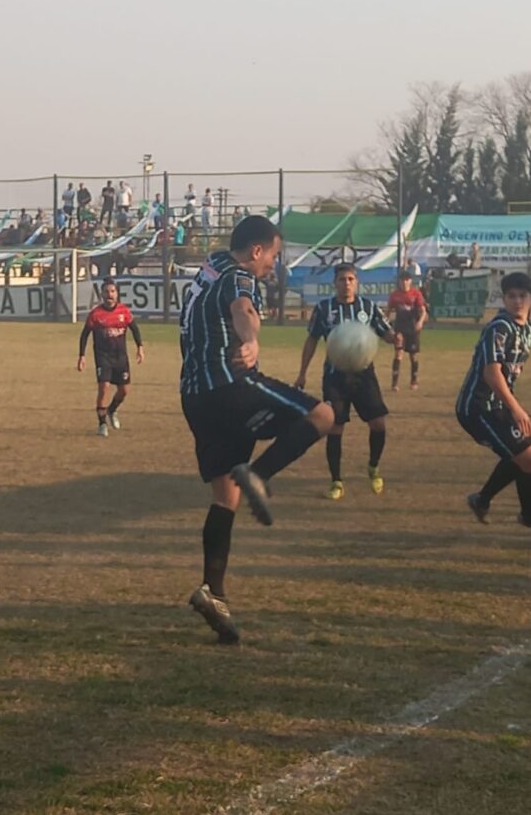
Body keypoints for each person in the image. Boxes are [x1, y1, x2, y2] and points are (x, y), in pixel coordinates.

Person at [180, 215, 333, 643]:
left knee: (224, 497)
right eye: (273, 257)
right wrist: (252, 340)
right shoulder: (241, 276)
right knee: (323, 415)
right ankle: (259, 478)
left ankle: (214, 593)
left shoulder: (210, 265)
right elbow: (243, 307)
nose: (272, 266)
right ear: (256, 251)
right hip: (230, 385)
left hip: (194, 397)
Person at [295, 263, 395, 501]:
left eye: (351, 279)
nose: (346, 283)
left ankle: (373, 466)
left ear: (356, 282)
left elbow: (386, 333)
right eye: (342, 279)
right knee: (335, 426)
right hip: (335, 376)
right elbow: (312, 341)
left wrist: (396, 338)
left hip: (364, 374)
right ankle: (336, 480)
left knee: (378, 424)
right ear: (335, 283)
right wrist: (302, 373)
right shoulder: (323, 309)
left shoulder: (368, 308)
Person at [458, 272, 531, 528]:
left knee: (523, 452)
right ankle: (527, 515)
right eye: (512, 296)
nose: (518, 301)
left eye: (523, 295)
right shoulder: (499, 327)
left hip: (498, 406)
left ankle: (483, 500)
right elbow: (491, 373)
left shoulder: (525, 329)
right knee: (526, 455)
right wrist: (517, 409)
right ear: (504, 298)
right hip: (478, 408)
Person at [77, 277, 144, 437]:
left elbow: (135, 329)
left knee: (124, 390)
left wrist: (140, 347)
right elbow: (84, 335)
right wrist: (82, 356)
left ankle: (112, 410)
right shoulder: (95, 314)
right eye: (106, 291)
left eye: (113, 291)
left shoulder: (124, 311)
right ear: (101, 294)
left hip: (121, 357)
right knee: (104, 387)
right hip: (103, 357)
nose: (110, 295)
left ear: (117, 293)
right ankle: (102, 425)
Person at [387, 270, 427, 391]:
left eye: (406, 280)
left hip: (412, 328)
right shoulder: (394, 295)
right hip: (400, 328)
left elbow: (423, 311)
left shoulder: (416, 294)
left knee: (413, 356)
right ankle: (394, 384)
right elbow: (388, 311)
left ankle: (414, 381)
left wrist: (420, 322)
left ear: (410, 281)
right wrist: (388, 326)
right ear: (399, 282)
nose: (404, 282)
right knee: (398, 354)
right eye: (402, 280)